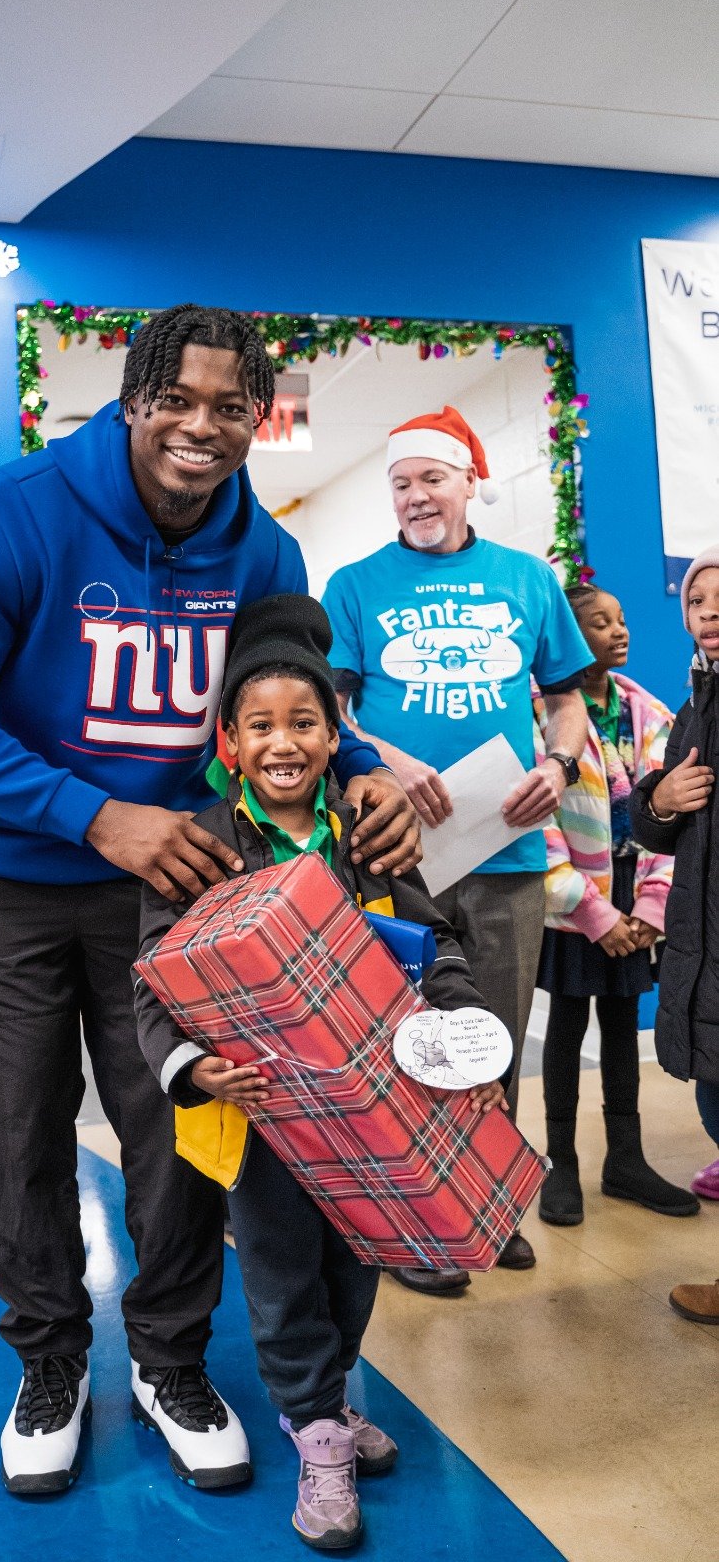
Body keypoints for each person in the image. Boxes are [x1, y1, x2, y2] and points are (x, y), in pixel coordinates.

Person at [0, 306, 421, 1496]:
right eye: (175, 398)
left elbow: (289, 692)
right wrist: (93, 814)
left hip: (175, 890)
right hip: (2, 882)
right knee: (16, 1140)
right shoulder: (12, 513)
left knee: (187, 1132)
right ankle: (50, 1364)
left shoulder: (264, 554)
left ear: (258, 419)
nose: (199, 426)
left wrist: (364, 769)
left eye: (230, 406)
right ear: (131, 397)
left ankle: (170, 1363)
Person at [135, 594, 506, 1550]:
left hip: (370, 1114)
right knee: (281, 1276)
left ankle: (329, 1399)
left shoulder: (368, 836)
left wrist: (463, 1031)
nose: (284, 742)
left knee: (356, 1267)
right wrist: (196, 1068)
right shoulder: (204, 845)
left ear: (336, 736)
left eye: (304, 722)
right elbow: (153, 986)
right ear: (230, 743)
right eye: (260, 726)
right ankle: (317, 1433)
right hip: (262, 1119)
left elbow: (436, 944)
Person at [322, 404, 592, 1294]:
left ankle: (488, 1207)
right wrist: (389, 762)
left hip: (507, 855)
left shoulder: (527, 579)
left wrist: (558, 764)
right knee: (405, 1038)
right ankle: (414, 1226)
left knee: (492, 1040)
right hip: (396, 855)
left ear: (470, 483)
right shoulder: (356, 586)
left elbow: (566, 699)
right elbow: (333, 711)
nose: (415, 497)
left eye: (432, 479)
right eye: (400, 483)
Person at [536, 583, 698, 1224]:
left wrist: (650, 908)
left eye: (621, 618)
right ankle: (560, 1165)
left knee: (624, 1028)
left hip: (634, 894)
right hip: (575, 898)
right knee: (567, 1029)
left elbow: (672, 812)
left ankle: (625, 1160)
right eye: (600, 623)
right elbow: (536, 825)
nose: (619, 630)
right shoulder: (541, 716)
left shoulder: (647, 712)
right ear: (571, 640)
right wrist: (593, 913)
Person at [630, 547, 719, 1325]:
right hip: (704, 944)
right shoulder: (694, 705)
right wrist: (663, 797)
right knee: (717, 1112)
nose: (710, 613)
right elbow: (654, 829)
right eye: (697, 602)